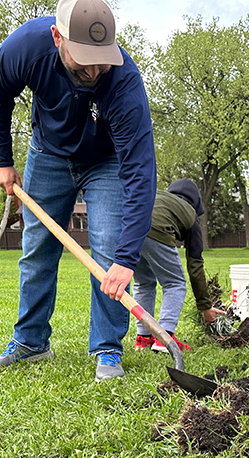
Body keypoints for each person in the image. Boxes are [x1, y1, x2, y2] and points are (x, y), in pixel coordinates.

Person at [0, 0, 156, 381]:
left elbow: (140, 172)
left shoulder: (123, 83)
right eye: (83, 58)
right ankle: (30, 342)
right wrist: (4, 160)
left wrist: (126, 258)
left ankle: (107, 349)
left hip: (107, 162)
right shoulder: (26, 48)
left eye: (101, 59)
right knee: (37, 249)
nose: (93, 69)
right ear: (58, 37)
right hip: (47, 153)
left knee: (107, 256)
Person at [133, 179, 223, 353]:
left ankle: (143, 338)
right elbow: (195, 265)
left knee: (143, 283)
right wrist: (205, 306)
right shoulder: (190, 212)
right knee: (175, 283)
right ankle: (164, 338)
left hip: (130, 229)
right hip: (157, 230)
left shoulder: (159, 196)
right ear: (196, 202)